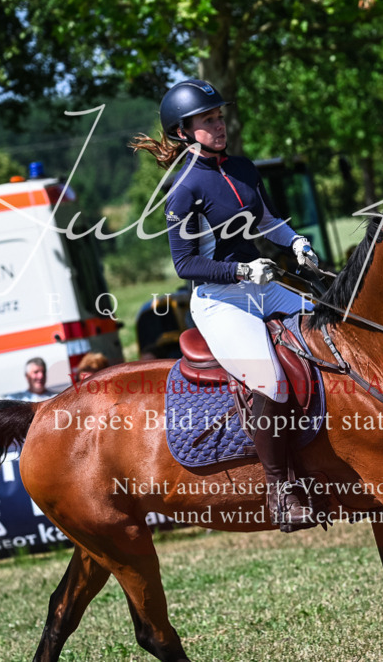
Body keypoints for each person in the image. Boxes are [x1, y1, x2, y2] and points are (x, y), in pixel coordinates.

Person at [129, 78, 319, 531]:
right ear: (182, 131)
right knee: (270, 381)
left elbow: (268, 219)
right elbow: (185, 264)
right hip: (220, 300)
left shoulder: (243, 167)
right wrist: (239, 271)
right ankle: (280, 489)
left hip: (263, 285)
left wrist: (294, 242)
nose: (220, 124)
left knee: (327, 332)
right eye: (208, 120)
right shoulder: (182, 192)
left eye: (219, 116)